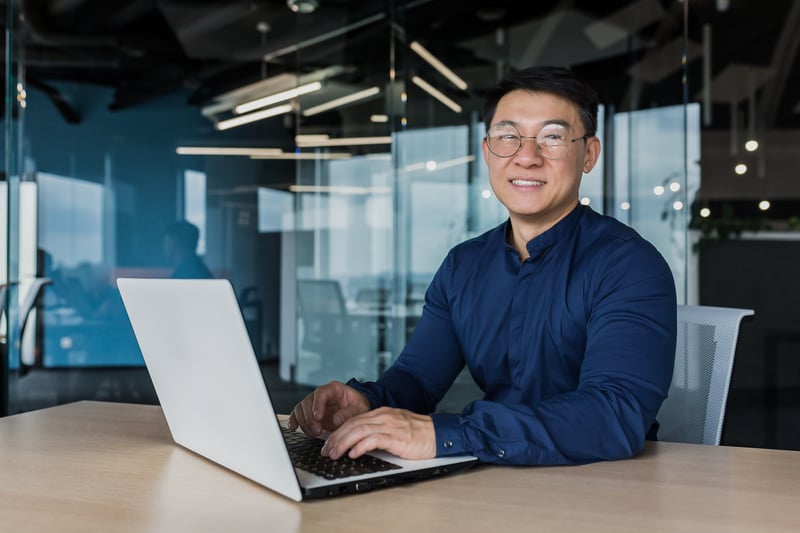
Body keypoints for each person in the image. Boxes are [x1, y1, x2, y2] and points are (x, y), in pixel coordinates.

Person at [289, 66, 677, 466]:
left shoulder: (629, 265)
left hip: (603, 486)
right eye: (508, 136)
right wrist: (365, 401)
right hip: (494, 475)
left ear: (589, 154)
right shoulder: (464, 265)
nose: (527, 157)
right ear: (488, 151)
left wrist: (448, 434)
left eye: (553, 137)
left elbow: (614, 415)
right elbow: (419, 378)